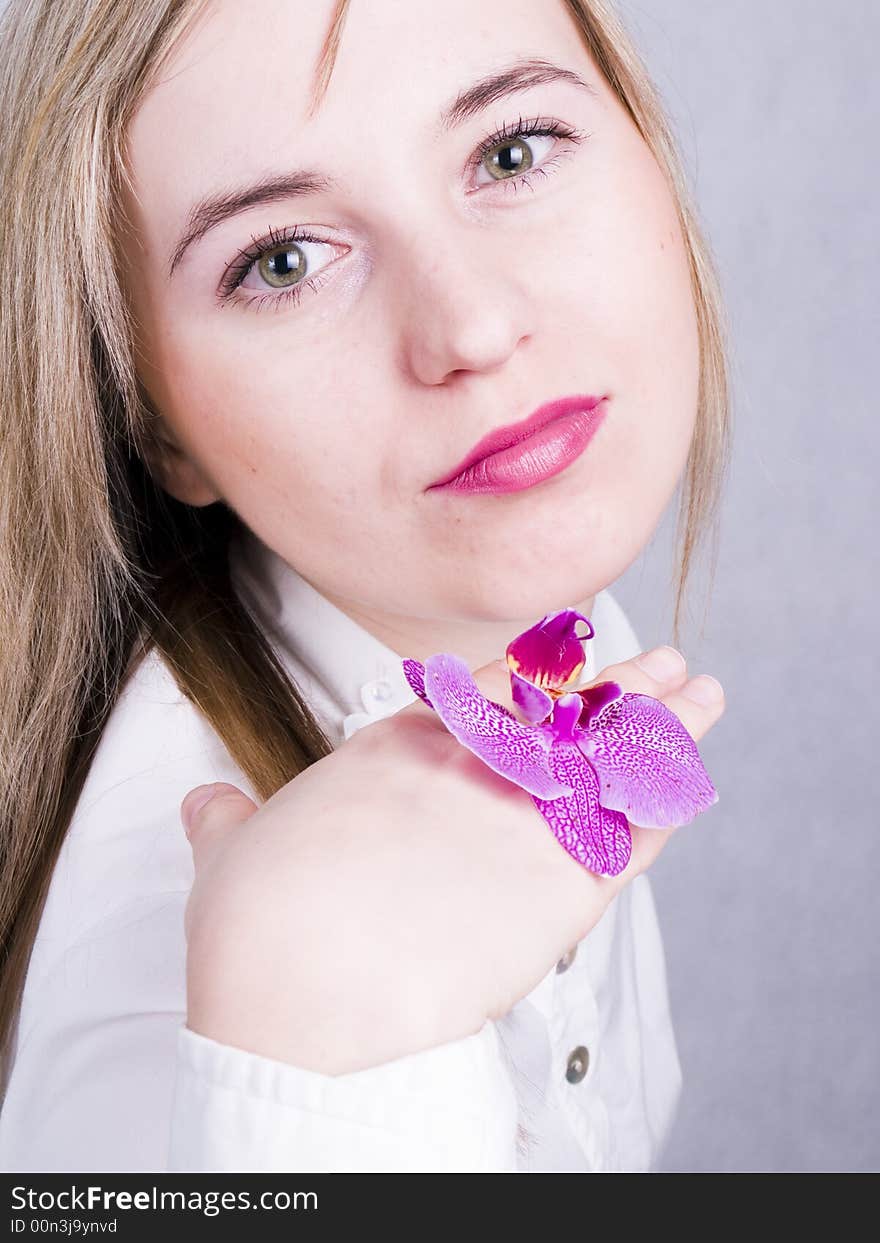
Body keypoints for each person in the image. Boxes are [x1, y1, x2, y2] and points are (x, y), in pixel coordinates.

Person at [0, 0, 731, 1173]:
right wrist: (312, 1051)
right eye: (281, 261)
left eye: (511, 151)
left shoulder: (506, 614)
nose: (475, 326)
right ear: (151, 424)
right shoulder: (161, 956)